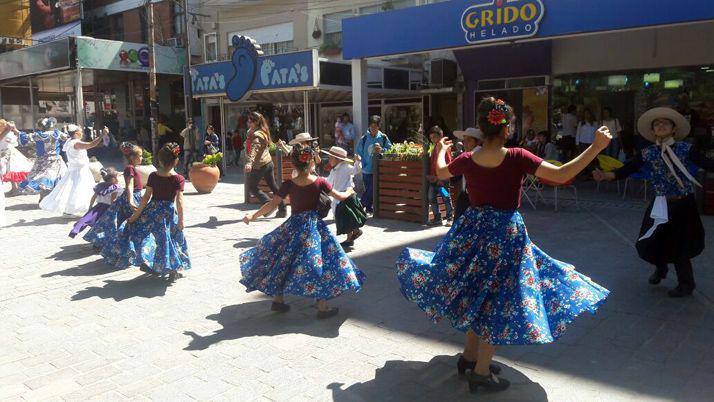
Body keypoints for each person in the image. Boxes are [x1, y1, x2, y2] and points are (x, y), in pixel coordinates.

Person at [396, 97, 611, 392]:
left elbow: (443, 172)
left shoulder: (468, 158)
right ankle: (481, 372)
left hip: (472, 230)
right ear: (507, 128)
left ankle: (470, 359)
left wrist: (441, 150)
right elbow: (562, 175)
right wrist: (596, 147)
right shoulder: (517, 156)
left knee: (478, 292)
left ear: (483, 129)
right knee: (498, 300)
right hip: (505, 235)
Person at [594, 107, 714, 298]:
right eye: (656, 124)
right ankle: (661, 268)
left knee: (680, 244)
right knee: (652, 238)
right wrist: (606, 175)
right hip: (660, 203)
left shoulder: (686, 149)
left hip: (683, 204)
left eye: (665, 122)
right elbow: (628, 169)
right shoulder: (648, 152)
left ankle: (687, 283)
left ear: (674, 129)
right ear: (653, 131)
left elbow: (708, 164)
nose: (660, 125)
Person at [240, 145, 365, 318]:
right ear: (312, 161)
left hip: (292, 227)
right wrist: (351, 191)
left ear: (293, 163)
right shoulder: (320, 181)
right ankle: (322, 307)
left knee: (283, 261)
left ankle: (278, 300)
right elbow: (340, 197)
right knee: (321, 263)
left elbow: (272, 204)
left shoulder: (289, 184)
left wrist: (253, 215)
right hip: (314, 228)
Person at [101, 143, 190, 280]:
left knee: (155, 238)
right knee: (171, 239)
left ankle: (153, 263)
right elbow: (179, 201)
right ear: (176, 161)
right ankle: (172, 269)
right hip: (168, 214)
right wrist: (182, 220)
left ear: (159, 161)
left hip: (152, 211)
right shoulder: (178, 179)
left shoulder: (153, 176)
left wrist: (135, 216)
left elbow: (145, 198)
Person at [83, 142, 144, 249]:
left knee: (120, 221)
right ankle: (103, 242)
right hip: (132, 197)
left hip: (135, 196)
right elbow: (129, 185)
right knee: (124, 221)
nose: (142, 158)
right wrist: (130, 201)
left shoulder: (132, 167)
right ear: (132, 157)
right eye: (140, 156)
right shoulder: (130, 168)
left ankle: (110, 242)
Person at [40, 125, 107, 216]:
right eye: (81, 131)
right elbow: (91, 144)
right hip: (78, 171)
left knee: (73, 190)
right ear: (76, 133)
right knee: (77, 190)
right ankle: (72, 210)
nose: (82, 133)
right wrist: (102, 135)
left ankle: (72, 210)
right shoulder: (75, 143)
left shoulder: (69, 141)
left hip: (75, 169)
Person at [322, 146, 366, 249]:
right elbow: (328, 181)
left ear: (337, 159)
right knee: (345, 218)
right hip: (338, 196)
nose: (329, 160)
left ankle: (353, 234)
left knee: (348, 217)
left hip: (347, 195)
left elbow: (356, 170)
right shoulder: (334, 170)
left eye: (330, 158)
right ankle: (350, 237)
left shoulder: (345, 167)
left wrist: (357, 162)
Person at [245, 111, 287, 218]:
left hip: (260, 165)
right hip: (268, 163)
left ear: (255, 122)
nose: (248, 123)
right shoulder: (262, 131)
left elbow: (255, 148)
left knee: (252, 186)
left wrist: (249, 163)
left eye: (250, 121)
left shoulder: (257, 134)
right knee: (273, 186)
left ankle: (268, 205)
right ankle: (282, 209)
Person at [18, 117, 68, 200]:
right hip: (55, 160)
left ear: (41, 126)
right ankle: (49, 198)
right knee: (51, 178)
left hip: (41, 161)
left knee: (39, 178)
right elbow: (67, 138)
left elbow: (24, 138)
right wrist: (65, 129)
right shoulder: (57, 133)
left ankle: (44, 198)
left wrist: (14, 129)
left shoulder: (38, 135)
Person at [69, 168, 122, 238]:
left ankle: (76, 229)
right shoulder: (115, 188)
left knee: (86, 218)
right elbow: (113, 201)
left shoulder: (100, 186)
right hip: (108, 209)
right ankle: (100, 239)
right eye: (116, 177)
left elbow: (93, 197)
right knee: (102, 224)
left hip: (97, 207)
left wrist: (90, 206)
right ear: (113, 178)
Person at [355, 115, 392, 215]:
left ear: (379, 126)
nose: (373, 128)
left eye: (375, 126)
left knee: (373, 188)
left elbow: (391, 150)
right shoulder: (364, 138)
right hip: (366, 169)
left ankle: (360, 206)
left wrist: (382, 150)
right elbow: (358, 151)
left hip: (378, 169)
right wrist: (358, 157)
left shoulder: (383, 138)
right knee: (369, 190)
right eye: (371, 126)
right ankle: (369, 208)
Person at [452, 127, 482, 221]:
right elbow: (454, 177)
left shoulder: (473, 155)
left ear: (477, 142)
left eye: (469, 140)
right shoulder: (466, 155)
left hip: (475, 198)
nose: (465, 144)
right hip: (467, 196)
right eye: (464, 141)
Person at [426, 126, 454, 226]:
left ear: (440, 136)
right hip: (434, 179)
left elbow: (448, 163)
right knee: (431, 197)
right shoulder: (435, 147)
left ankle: (450, 218)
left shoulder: (445, 148)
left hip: (443, 179)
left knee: (446, 197)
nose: (432, 139)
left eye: (434, 137)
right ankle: (437, 218)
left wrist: (442, 178)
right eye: (431, 137)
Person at [0, 120, 33, 195]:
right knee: (12, 171)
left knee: (11, 171)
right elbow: (14, 142)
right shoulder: (7, 133)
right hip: (7, 152)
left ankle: (15, 188)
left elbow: (14, 142)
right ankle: (15, 188)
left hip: (7, 153)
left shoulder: (6, 133)